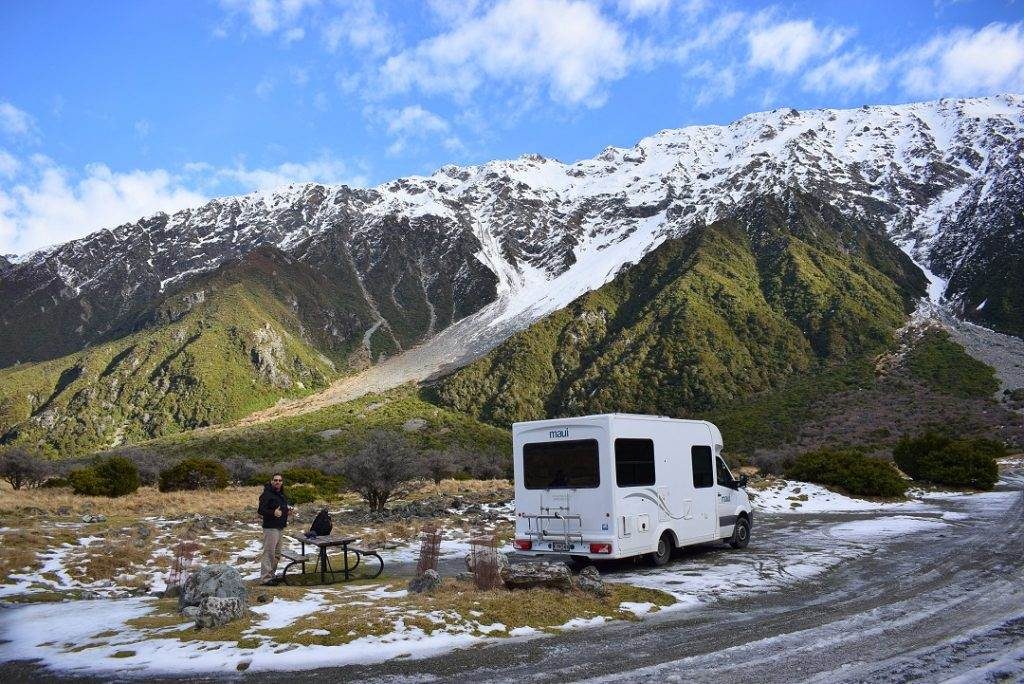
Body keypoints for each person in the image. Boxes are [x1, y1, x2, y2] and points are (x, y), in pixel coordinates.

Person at [258, 473, 290, 585]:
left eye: (280, 480)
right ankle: (265, 579)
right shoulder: (267, 494)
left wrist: (287, 511)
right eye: (275, 480)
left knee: (277, 554)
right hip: (271, 528)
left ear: (282, 482)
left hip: (280, 527)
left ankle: (271, 575)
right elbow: (261, 510)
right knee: (269, 553)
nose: (278, 482)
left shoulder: (281, 494)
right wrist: (273, 513)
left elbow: (281, 509)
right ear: (271, 481)